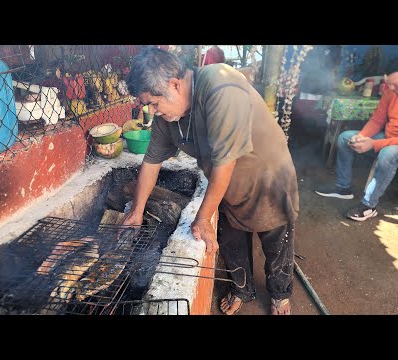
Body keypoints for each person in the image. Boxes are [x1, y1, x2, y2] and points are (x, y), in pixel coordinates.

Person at [123, 46, 299, 315]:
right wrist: (136, 212)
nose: (153, 111)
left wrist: (203, 217)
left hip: (267, 179)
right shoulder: (167, 115)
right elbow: (151, 161)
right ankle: (242, 289)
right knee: (230, 241)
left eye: (155, 104)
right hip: (228, 186)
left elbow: (224, 163)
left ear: (175, 84)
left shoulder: (220, 85)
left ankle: (279, 295)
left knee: (277, 243)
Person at [315, 71, 398, 221]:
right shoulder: (390, 92)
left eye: (395, 85)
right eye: (390, 83)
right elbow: (377, 120)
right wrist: (362, 136)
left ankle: (368, 206)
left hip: (393, 145)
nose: (390, 88)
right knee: (345, 138)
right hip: (387, 137)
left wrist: (374, 143)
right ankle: (343, 188)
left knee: (387, 155)